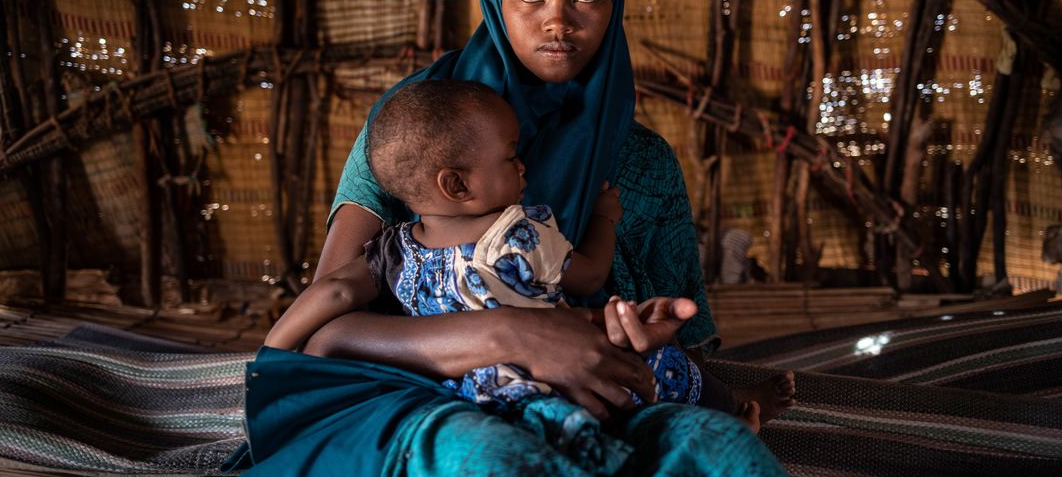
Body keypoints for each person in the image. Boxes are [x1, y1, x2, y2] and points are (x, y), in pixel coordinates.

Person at [229, 0, 791, 477]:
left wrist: (642, 338)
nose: (558, 21)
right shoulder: (416, 127)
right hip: (426, 391)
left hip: (603, 391)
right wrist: (508, 332)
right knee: (490, 458)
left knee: (725, 454)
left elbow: (684, 339)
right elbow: (330, 332)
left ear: (615, 0)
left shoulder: (644, 162)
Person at [263, 79, 791, 430]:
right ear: (456, 183)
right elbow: (588, 276)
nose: (522, 168)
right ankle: (735, 414)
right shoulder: (522, 233)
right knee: (660, 369)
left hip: (469, 395)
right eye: (512, 156)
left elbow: (332, 291)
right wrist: (605, 219)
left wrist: (272, 360)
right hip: (565, 374)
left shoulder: (391, 250)